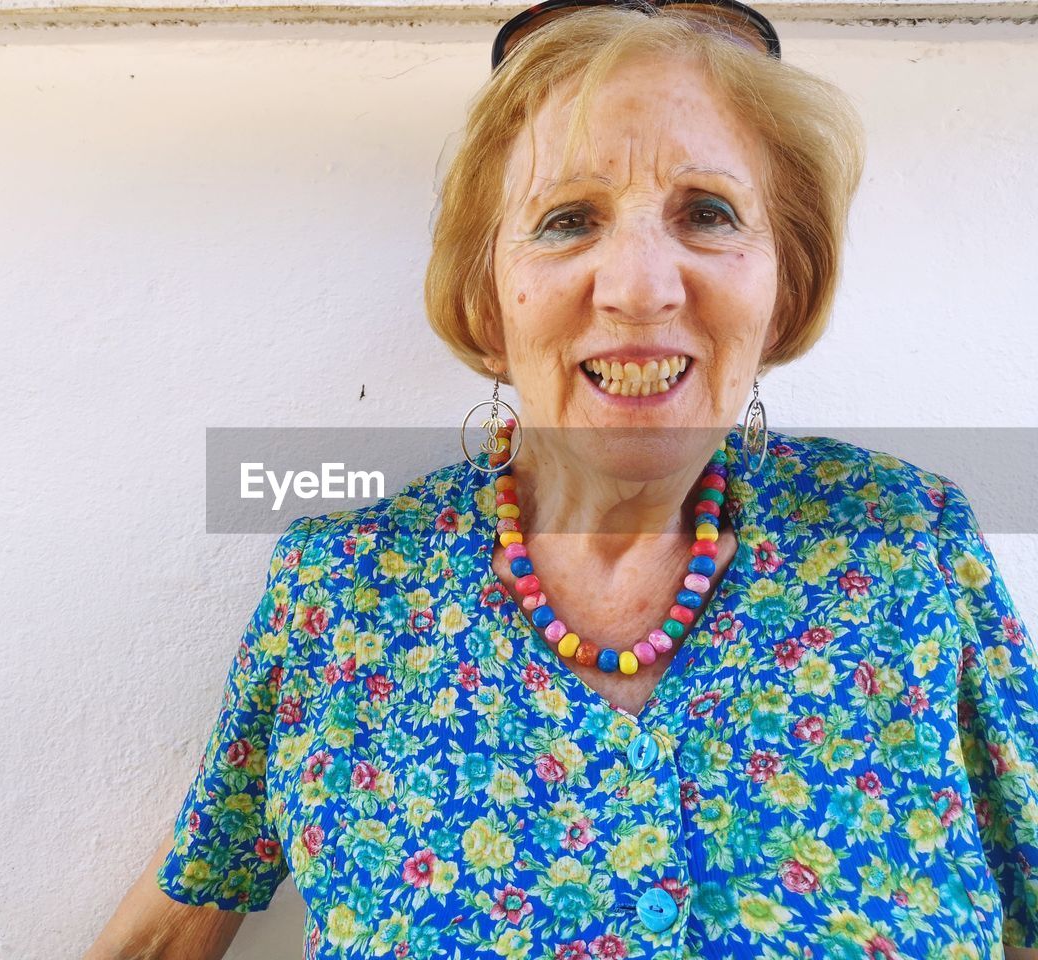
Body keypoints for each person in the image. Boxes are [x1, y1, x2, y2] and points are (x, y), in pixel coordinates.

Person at [86, 2, 1038, 957]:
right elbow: (172, 926)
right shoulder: (343, 593)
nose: (639, 287)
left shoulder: (904, 540)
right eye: (567, 220)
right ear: (487, 299)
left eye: (707, 214)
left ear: (784, 286)